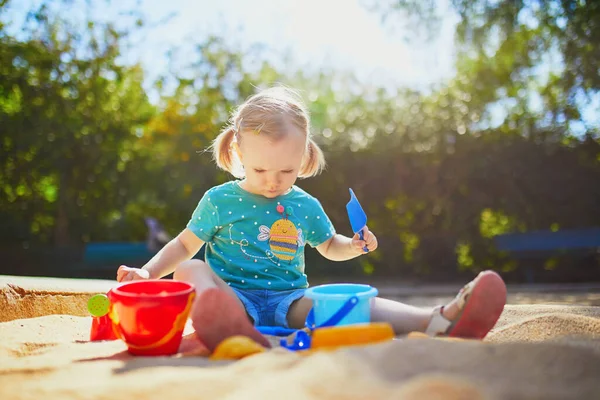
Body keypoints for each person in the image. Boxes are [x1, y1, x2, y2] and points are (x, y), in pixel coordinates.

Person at [117, 86, 507, 351]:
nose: (273, 183)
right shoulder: (220, 200)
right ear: (237, 152)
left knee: (346, 299)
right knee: (189, 269)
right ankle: (231, 325)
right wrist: (149, 273)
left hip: (291, 302)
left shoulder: (305, 204)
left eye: (286, 172)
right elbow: (185, 243)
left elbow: (328, 245)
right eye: (259, 171)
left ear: (304, 158)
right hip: (232, 297)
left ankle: (437, 320)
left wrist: (353, 246)